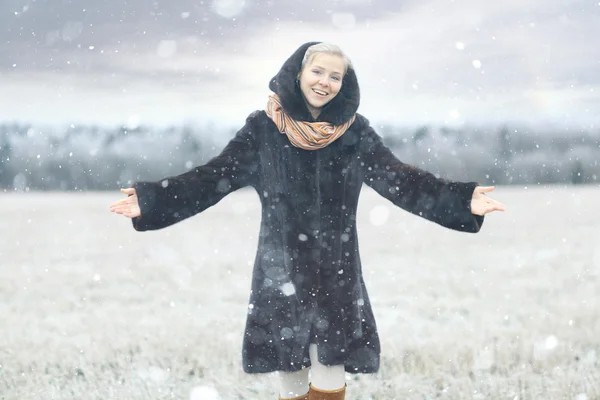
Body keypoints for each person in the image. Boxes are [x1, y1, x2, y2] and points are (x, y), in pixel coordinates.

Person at [109, 41, 506, 400]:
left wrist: (460, 198)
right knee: (290, 372)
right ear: (298, 73)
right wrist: (153, 199)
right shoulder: (262, 129)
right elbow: (213, 177)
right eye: (318, 72)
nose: (325, 82)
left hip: (337, 273)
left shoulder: (356, 133)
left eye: (336, 76)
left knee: (330, 367)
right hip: (280, 271)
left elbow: (399, 179)